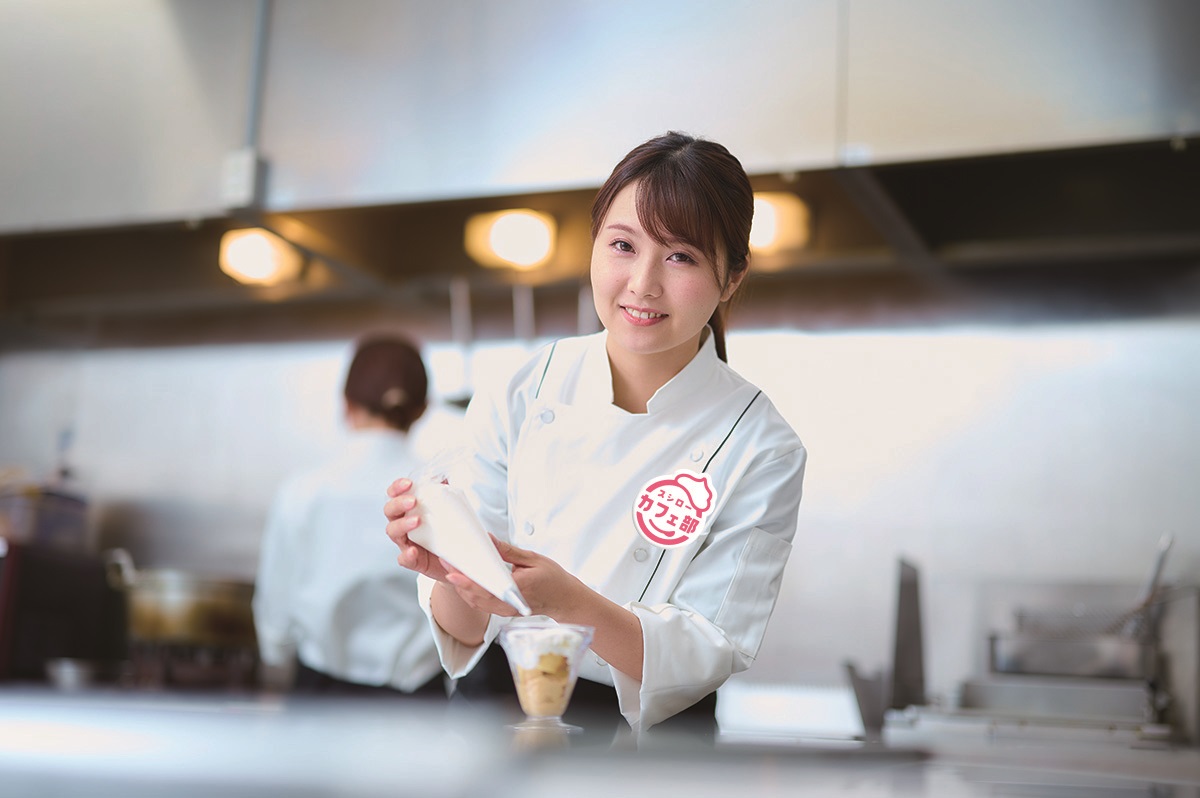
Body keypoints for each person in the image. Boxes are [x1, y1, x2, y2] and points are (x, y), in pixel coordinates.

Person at [384, 132, 806, 734]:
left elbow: (709, 644)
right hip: (495, 720)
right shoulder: (521, 390)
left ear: (732, 278)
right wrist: (447, 567)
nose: (642, 283)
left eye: (680, 256)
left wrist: (570, 602)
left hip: (649, 749)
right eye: (623, 245)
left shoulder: (761, 445)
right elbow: (471, 625)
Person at [255, 335, 446, 698]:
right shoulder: (439, 491)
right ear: (423, 408)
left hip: (320, 694)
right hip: (418, 699)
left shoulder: (304, 490)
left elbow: (275, 607)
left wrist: (276, 658)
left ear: (346, 405)